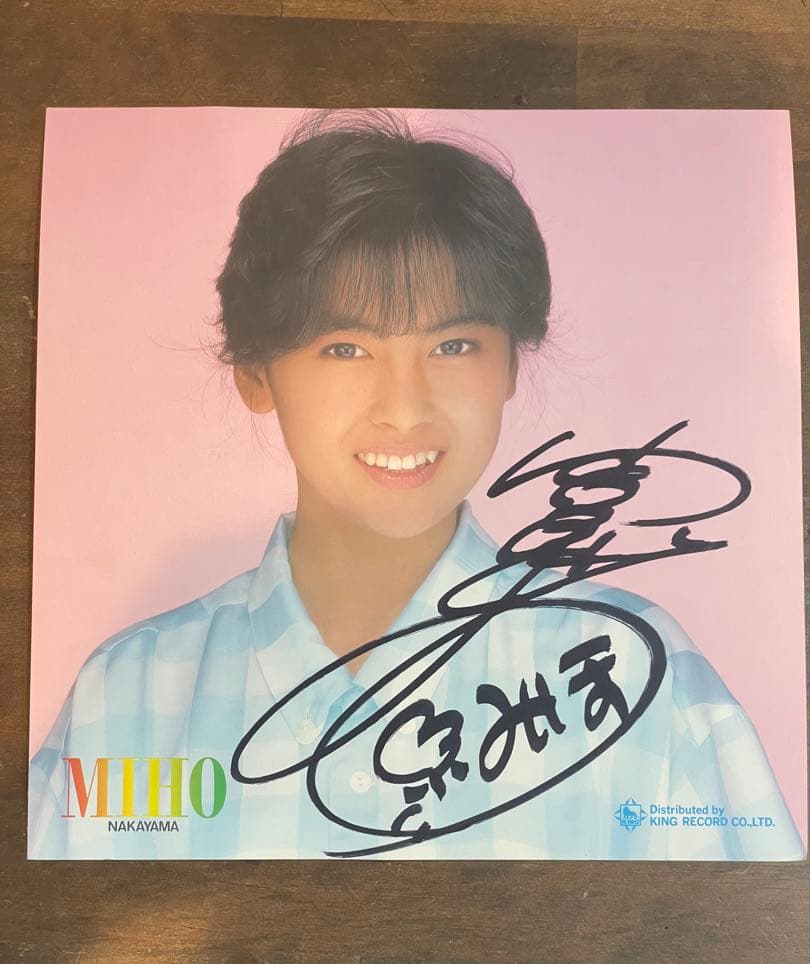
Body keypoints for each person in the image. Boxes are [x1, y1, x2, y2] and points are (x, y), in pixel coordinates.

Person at [28, 108, 805, 861]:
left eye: (454, 344)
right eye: (345, 348)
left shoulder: (635, 676)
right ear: (256, 374)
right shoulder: (124, 701)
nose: (404, 409)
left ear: (510, 365)